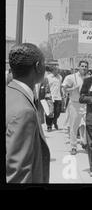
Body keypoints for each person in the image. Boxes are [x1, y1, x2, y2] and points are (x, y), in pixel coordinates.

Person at [6, 43, 50, 183]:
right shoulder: (24, 111)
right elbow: (18, 174)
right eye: (44, 64)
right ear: (38, 66)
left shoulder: (10, 92)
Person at [62, 60, 89, 155]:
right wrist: (73, 88)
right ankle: (73, 146)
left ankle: (84, 142)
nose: (84, 68)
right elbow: (64, 89)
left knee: (86, 125)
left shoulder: (89, 78)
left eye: (86, 66)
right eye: (82, 66)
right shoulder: (71, 77)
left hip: (86, 104)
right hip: (75, 104)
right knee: (74, 126)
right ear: (78, 67)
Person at [45, 65, 63, 131]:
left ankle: (54, 121)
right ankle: (49, 125)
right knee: (50, 112)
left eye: (58, 70)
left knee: (57, 112)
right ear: (53, 70)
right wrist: (46, 94)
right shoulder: (48, 77)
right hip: (50, 97)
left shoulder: (60, 77)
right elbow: (45, 87)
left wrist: (62, 95)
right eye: (57, 69)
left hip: (58, 97)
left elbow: (60, 87)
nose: (58, 71)